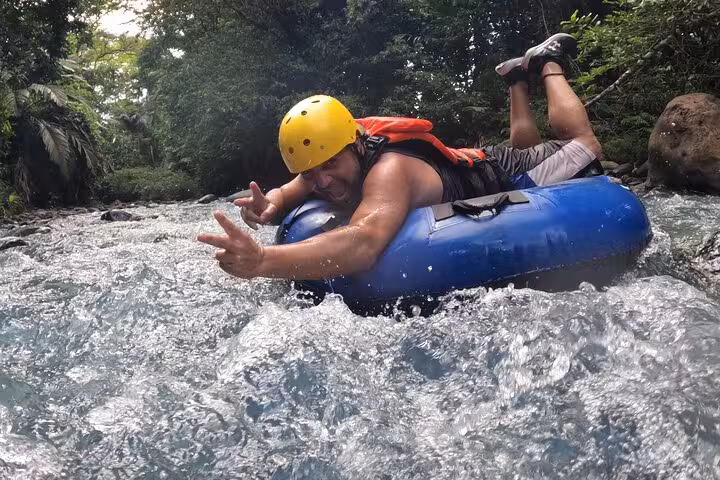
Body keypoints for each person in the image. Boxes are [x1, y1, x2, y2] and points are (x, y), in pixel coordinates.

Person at [197, 33, 603, 281]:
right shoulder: (329, 157)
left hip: (500, 174)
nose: (322, 182)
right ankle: (516, 76)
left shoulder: (389, 170)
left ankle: (547, 64)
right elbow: (296, 186)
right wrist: (272, 204)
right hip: (482, 157)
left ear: (355, 145)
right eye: (312, 172)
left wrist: (263, 259)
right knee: (522, 148)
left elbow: (364, 243)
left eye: (330, 166)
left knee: (582, 145)